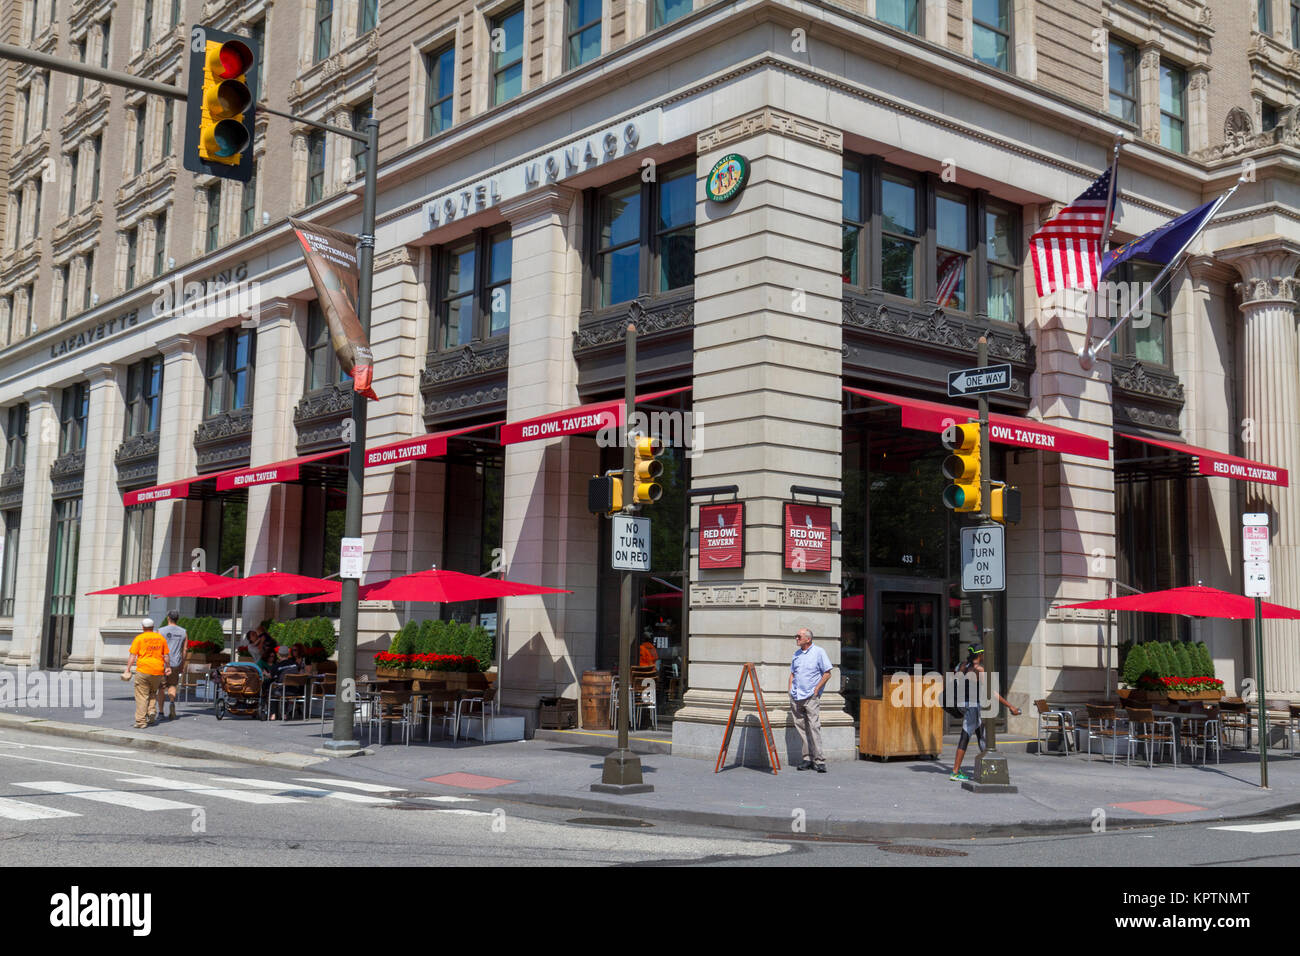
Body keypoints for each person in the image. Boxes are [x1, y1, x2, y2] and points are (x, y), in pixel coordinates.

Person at [949, 644, 1021, 782]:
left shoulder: (961, 665)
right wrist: (1010, 706)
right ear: (980, 655)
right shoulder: (979, 670)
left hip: (961, 704)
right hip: (972, 706)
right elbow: (991, 692)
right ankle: (955, 771)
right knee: (966, 735)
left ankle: (990, 765)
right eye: (983, 654)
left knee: (981, 734)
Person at [788, 626, 833, 773]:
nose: (796, 638)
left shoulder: (819, 652)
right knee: (802, 728)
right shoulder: (796, 654)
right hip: (796, 696)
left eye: (799, 636)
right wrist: (790, 690)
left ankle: (819, 760)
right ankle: (807, 759)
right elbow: (793, 673)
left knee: (814, 727)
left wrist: (816, 689)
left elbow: (827, 673)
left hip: (810, 697)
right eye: (796, 636)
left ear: (808, 639)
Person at [123, 618, 171, 729]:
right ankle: (152, 711)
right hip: (158, 670)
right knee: (153, 692)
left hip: (143, 670)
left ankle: (141, 721)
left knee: (141, 696)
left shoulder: (139, 638)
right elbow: (166, 656)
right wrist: (167, 667)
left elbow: (132, 656)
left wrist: (128, 669)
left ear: (143, 627)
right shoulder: (160, 638)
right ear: (153, 627)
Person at [156, 611, 188, 720]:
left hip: (163, 663)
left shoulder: (160, 631)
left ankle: (160, 712)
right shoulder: (183, 632)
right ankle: (172, 702)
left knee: (161, 688)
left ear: (168, 618)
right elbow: (185, 650)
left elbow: (157, 648)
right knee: (172, 685)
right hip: (176, 662)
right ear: (177, 619)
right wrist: (182, 664)